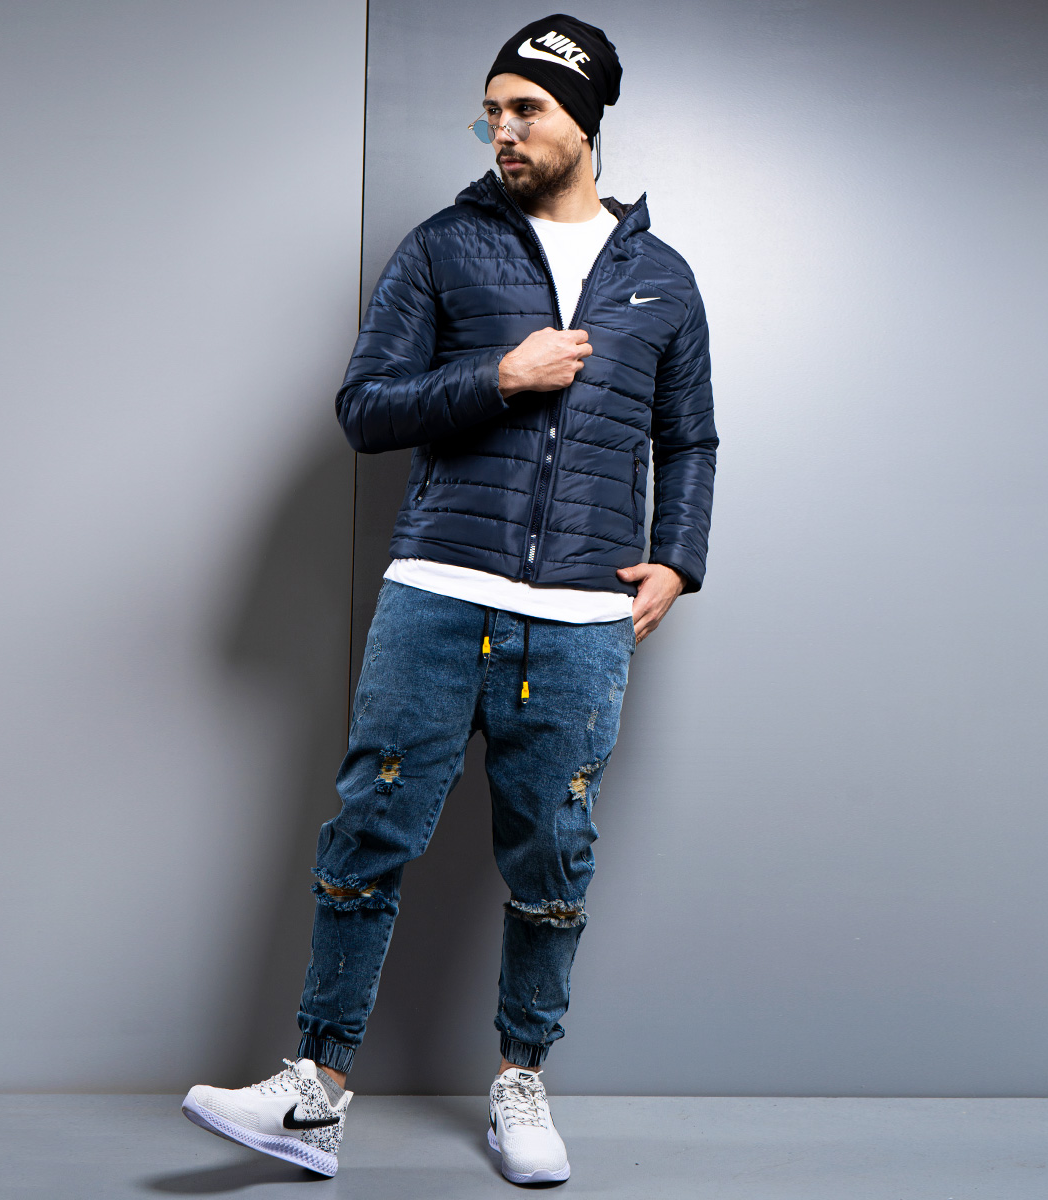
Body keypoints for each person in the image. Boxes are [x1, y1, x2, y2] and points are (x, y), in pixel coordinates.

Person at [182, 12, 718, 1186]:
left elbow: (690, 439)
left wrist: (677, 558)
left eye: (527, 109)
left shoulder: (663, 282)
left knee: (553, 857)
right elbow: (365, 408)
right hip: (436, 592)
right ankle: (314, 1092)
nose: (503, 131)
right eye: (491, 113)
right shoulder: (443, 247)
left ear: (585, 119)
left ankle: (521, 1082)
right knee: (369, 831)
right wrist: (500, 375)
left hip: (580, 620)